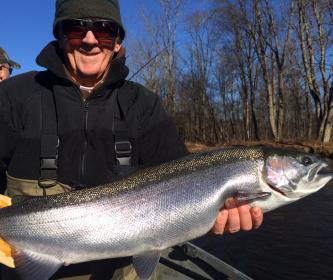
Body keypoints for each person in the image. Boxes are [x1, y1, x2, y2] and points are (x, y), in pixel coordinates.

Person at [0, 0, 263, 279]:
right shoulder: (15, 96)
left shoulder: (143, 105)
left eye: (103, 30)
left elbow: (187, 189)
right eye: (76, 29)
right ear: (61, 36)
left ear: (116, 42)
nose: (90, 41)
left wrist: (210, 215)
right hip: (27, 251)